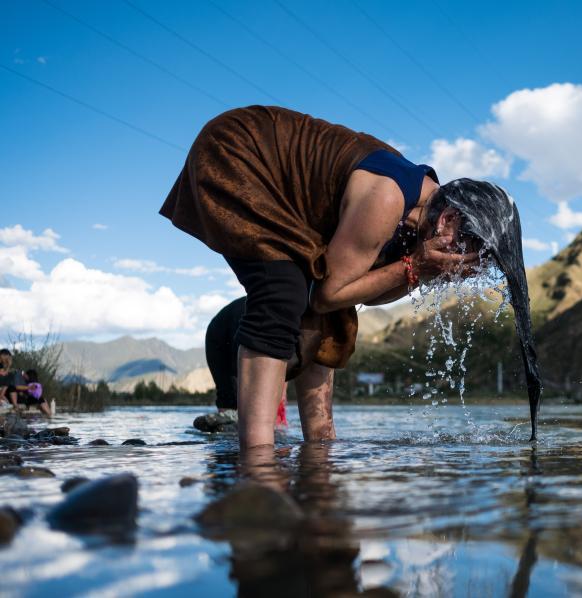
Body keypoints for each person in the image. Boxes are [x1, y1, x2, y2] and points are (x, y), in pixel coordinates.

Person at [160, 106, 498, 449]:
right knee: (282, 292)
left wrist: (422, 273)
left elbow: (363, 294)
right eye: (461, 253)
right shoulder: (387, 197)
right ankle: (258, 460)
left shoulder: (416, 217)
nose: (456, 266)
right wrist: (415, 267)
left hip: (287, 196)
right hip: (239, 150)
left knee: (336, 320)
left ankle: (320, 447)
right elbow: (329, 293)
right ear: (449, 221)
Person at [205, 296, 288, 431]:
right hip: (222, 333)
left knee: (232, 398)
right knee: (232, 396)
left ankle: (231, 429)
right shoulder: (277, 310)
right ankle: (230, 435)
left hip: (225, 326)